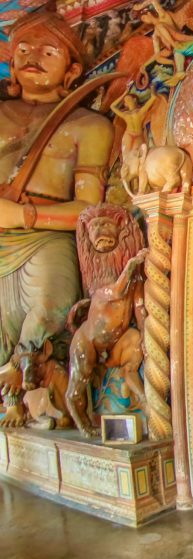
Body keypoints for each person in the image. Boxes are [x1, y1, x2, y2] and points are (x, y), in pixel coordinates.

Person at [0, 11, 114, 425]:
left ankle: (31, 375)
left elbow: (88, 210)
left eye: (49, 52)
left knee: (51, 306)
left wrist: (24, 215)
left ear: (73, 69)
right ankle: (11, 394)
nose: (33, 58)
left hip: (45, 233)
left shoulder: (90, 126)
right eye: (24, 50)